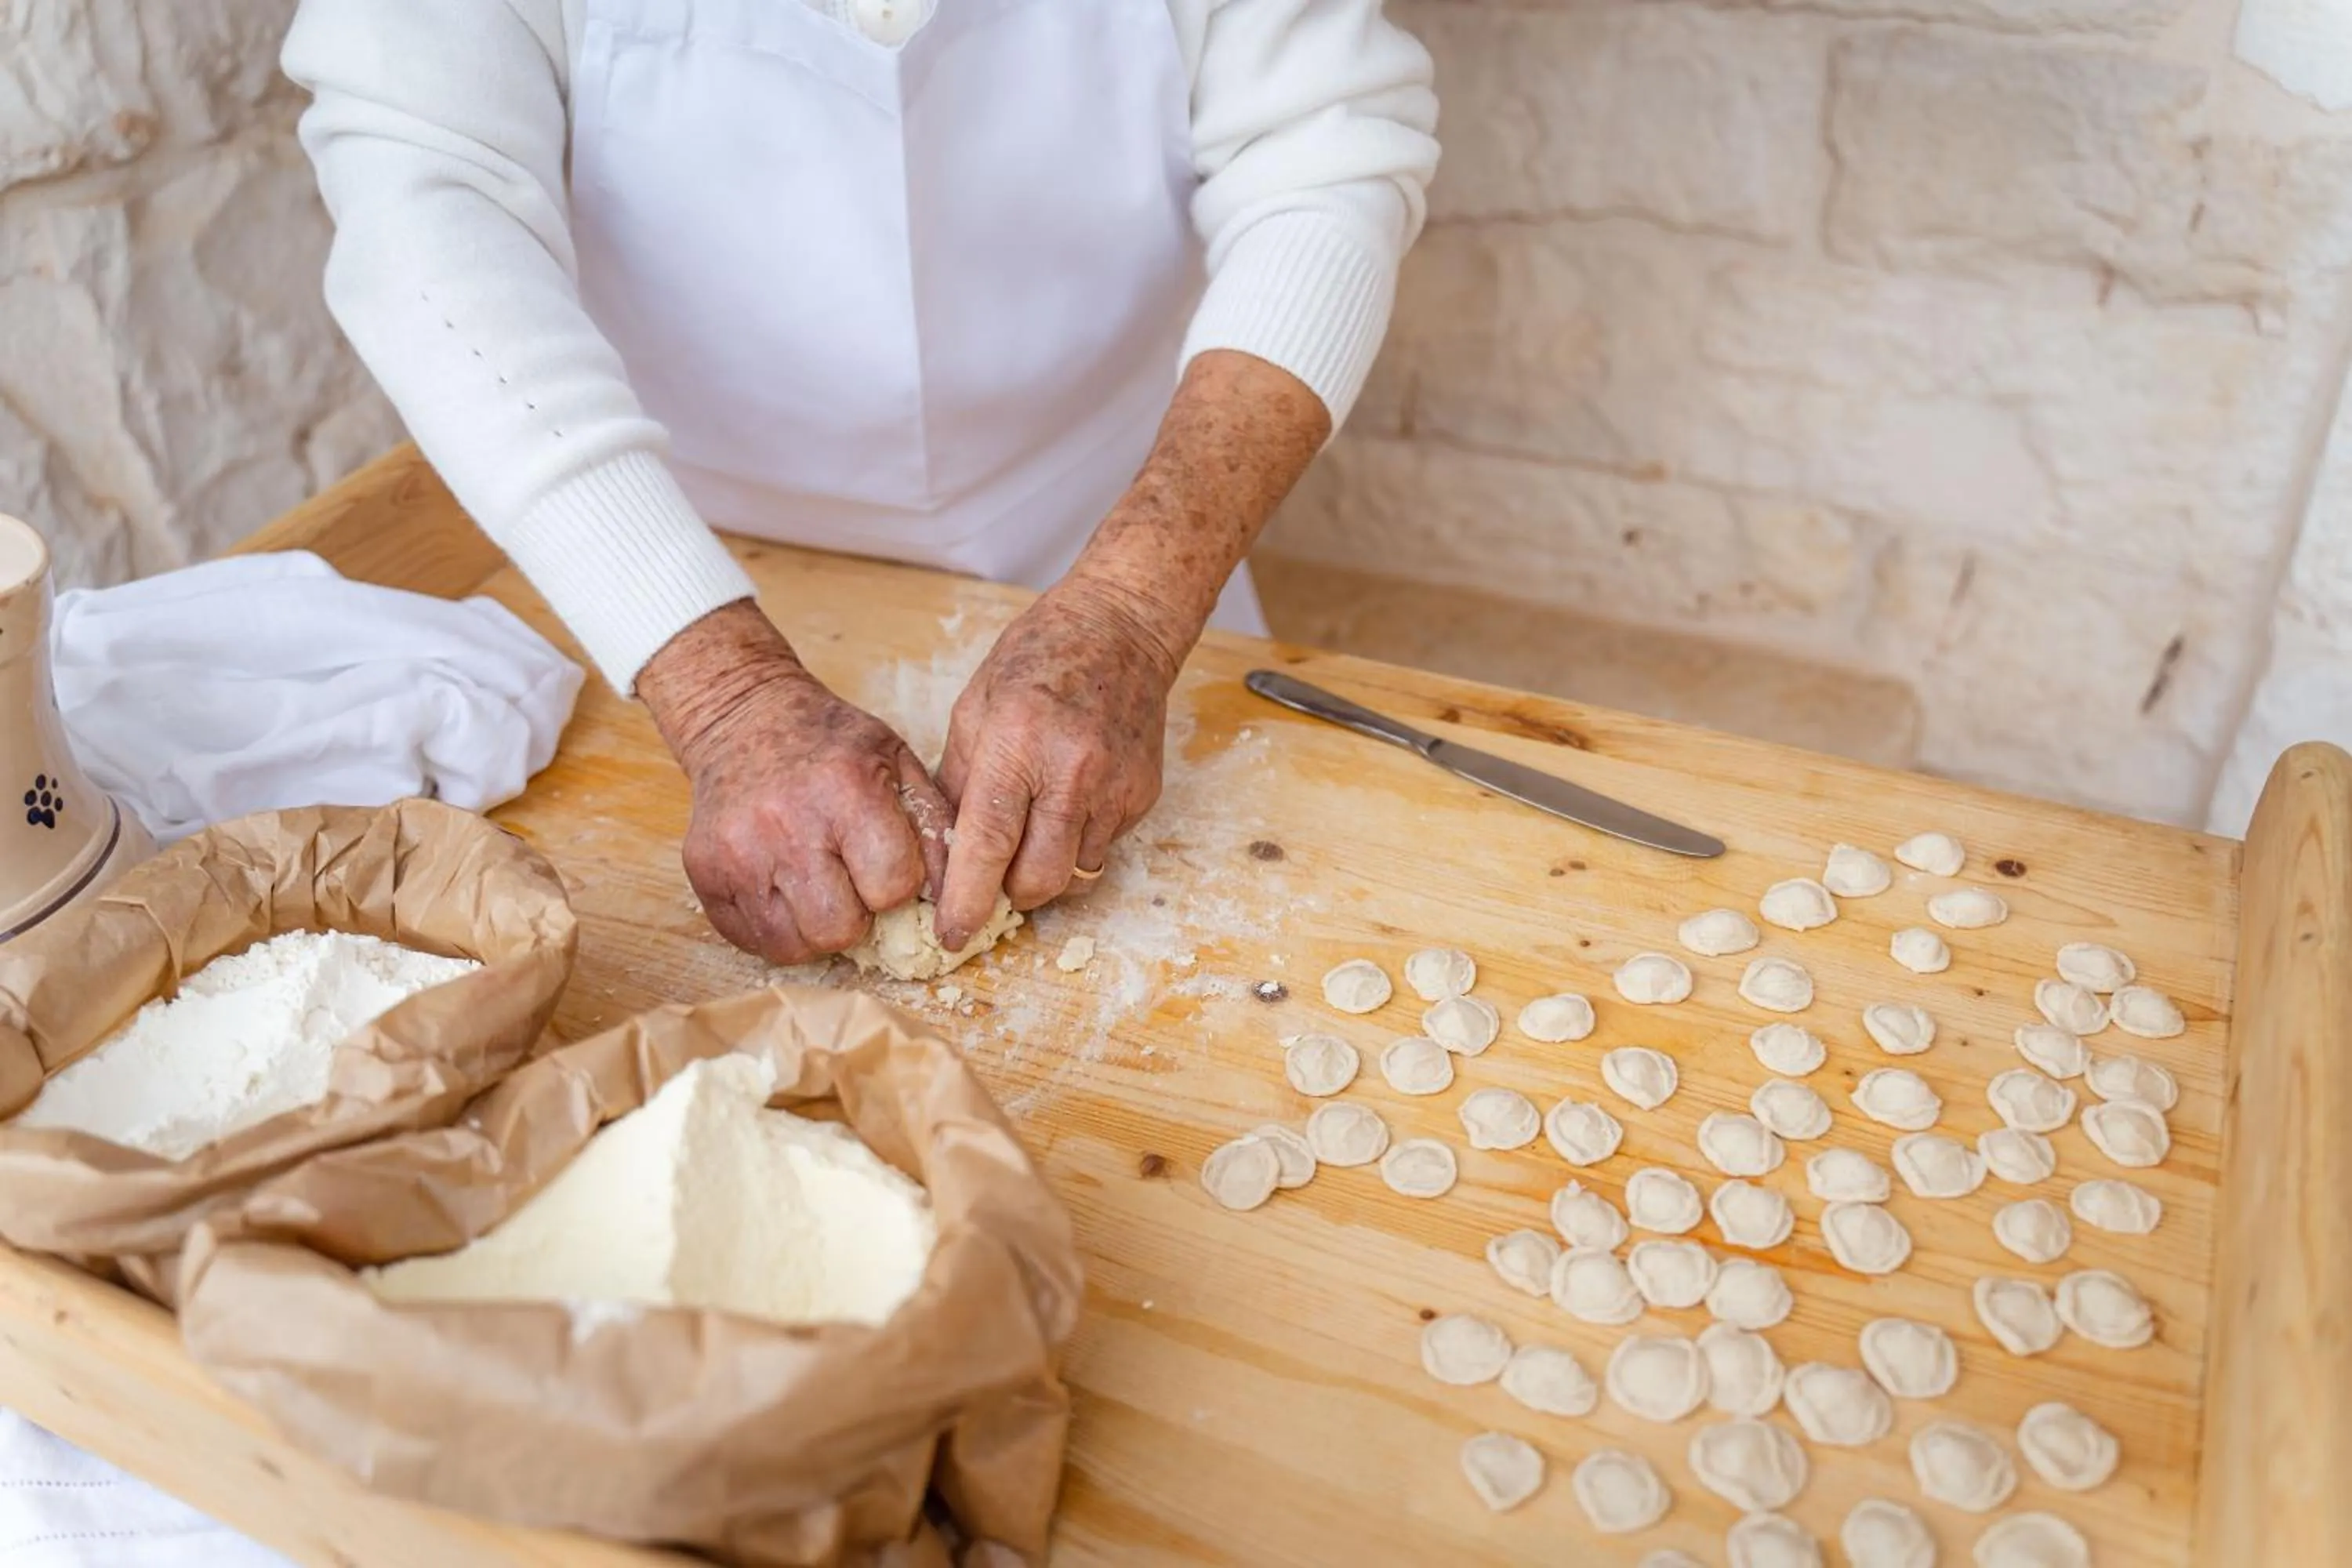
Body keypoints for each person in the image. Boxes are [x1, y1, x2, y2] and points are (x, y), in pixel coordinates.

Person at [283, 0, 1439, 960]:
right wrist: (723, 694)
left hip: (1115, 521)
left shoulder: (1135, 596)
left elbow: (1324, 159)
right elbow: (425, 209)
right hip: (663, 559)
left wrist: (1134, 609)